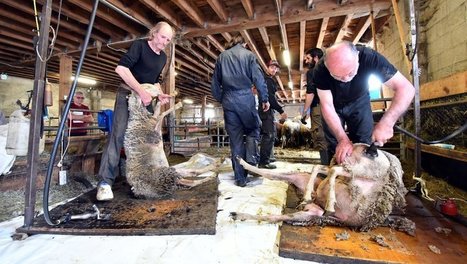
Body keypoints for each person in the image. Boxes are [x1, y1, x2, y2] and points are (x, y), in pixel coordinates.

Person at [96, 21, 173, 201]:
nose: (164, 42)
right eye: (163, 37)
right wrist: (140, 91)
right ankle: (105, 183)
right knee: (118, 134)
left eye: (168, 40)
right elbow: (121, 69)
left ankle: (143, 179)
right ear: (153, 33)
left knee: (147, 137)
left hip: (145, 98)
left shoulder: (162, 58)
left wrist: (159, 94)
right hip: (127, 94)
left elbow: (154, 81)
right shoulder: (139, 46)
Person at [313, 41, 415, 165]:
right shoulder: (320, 70)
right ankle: (335, 177)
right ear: (327, 66)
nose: (345, 80)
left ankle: (363, 178)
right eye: (338, 76)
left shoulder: (370, 58)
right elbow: (327, 105)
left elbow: (406, 88)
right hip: (333, 106)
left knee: (364, 141)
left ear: (357, 57)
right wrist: (342, 139)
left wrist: (387, 123)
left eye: (350, 73)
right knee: (335, 145)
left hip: (359, 101)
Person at [211, 34, 270, 187]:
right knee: (253, 129)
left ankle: (240, 178)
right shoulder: (249, 55)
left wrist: (221, 99)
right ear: (244, 44)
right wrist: (264, 99)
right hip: (245, 97)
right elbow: (259, 79)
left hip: (228, 100)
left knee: (235, 140)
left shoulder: (222, 57)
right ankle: (251, 161)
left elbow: (215, 83)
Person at [301, 48, 329, 165]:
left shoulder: (312, 71)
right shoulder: (329, 69)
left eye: (308, 58)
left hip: (318, 107)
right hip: (332, 107)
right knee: (331, 134)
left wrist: (305, 111)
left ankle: (325, 166)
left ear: (316, 57)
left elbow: (311, 92)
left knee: (320, 136)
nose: (306, 61)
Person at [258, 60, 287, 169]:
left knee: (269, 135)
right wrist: (281, 110)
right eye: (272, 67)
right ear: (267, 67)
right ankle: (263, 162)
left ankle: (266, 159)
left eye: (276, 68)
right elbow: (271, 98)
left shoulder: (267, 79)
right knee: (268, 135)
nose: (274, 70)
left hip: (266, 109)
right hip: (266, 109)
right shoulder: (268, 80)